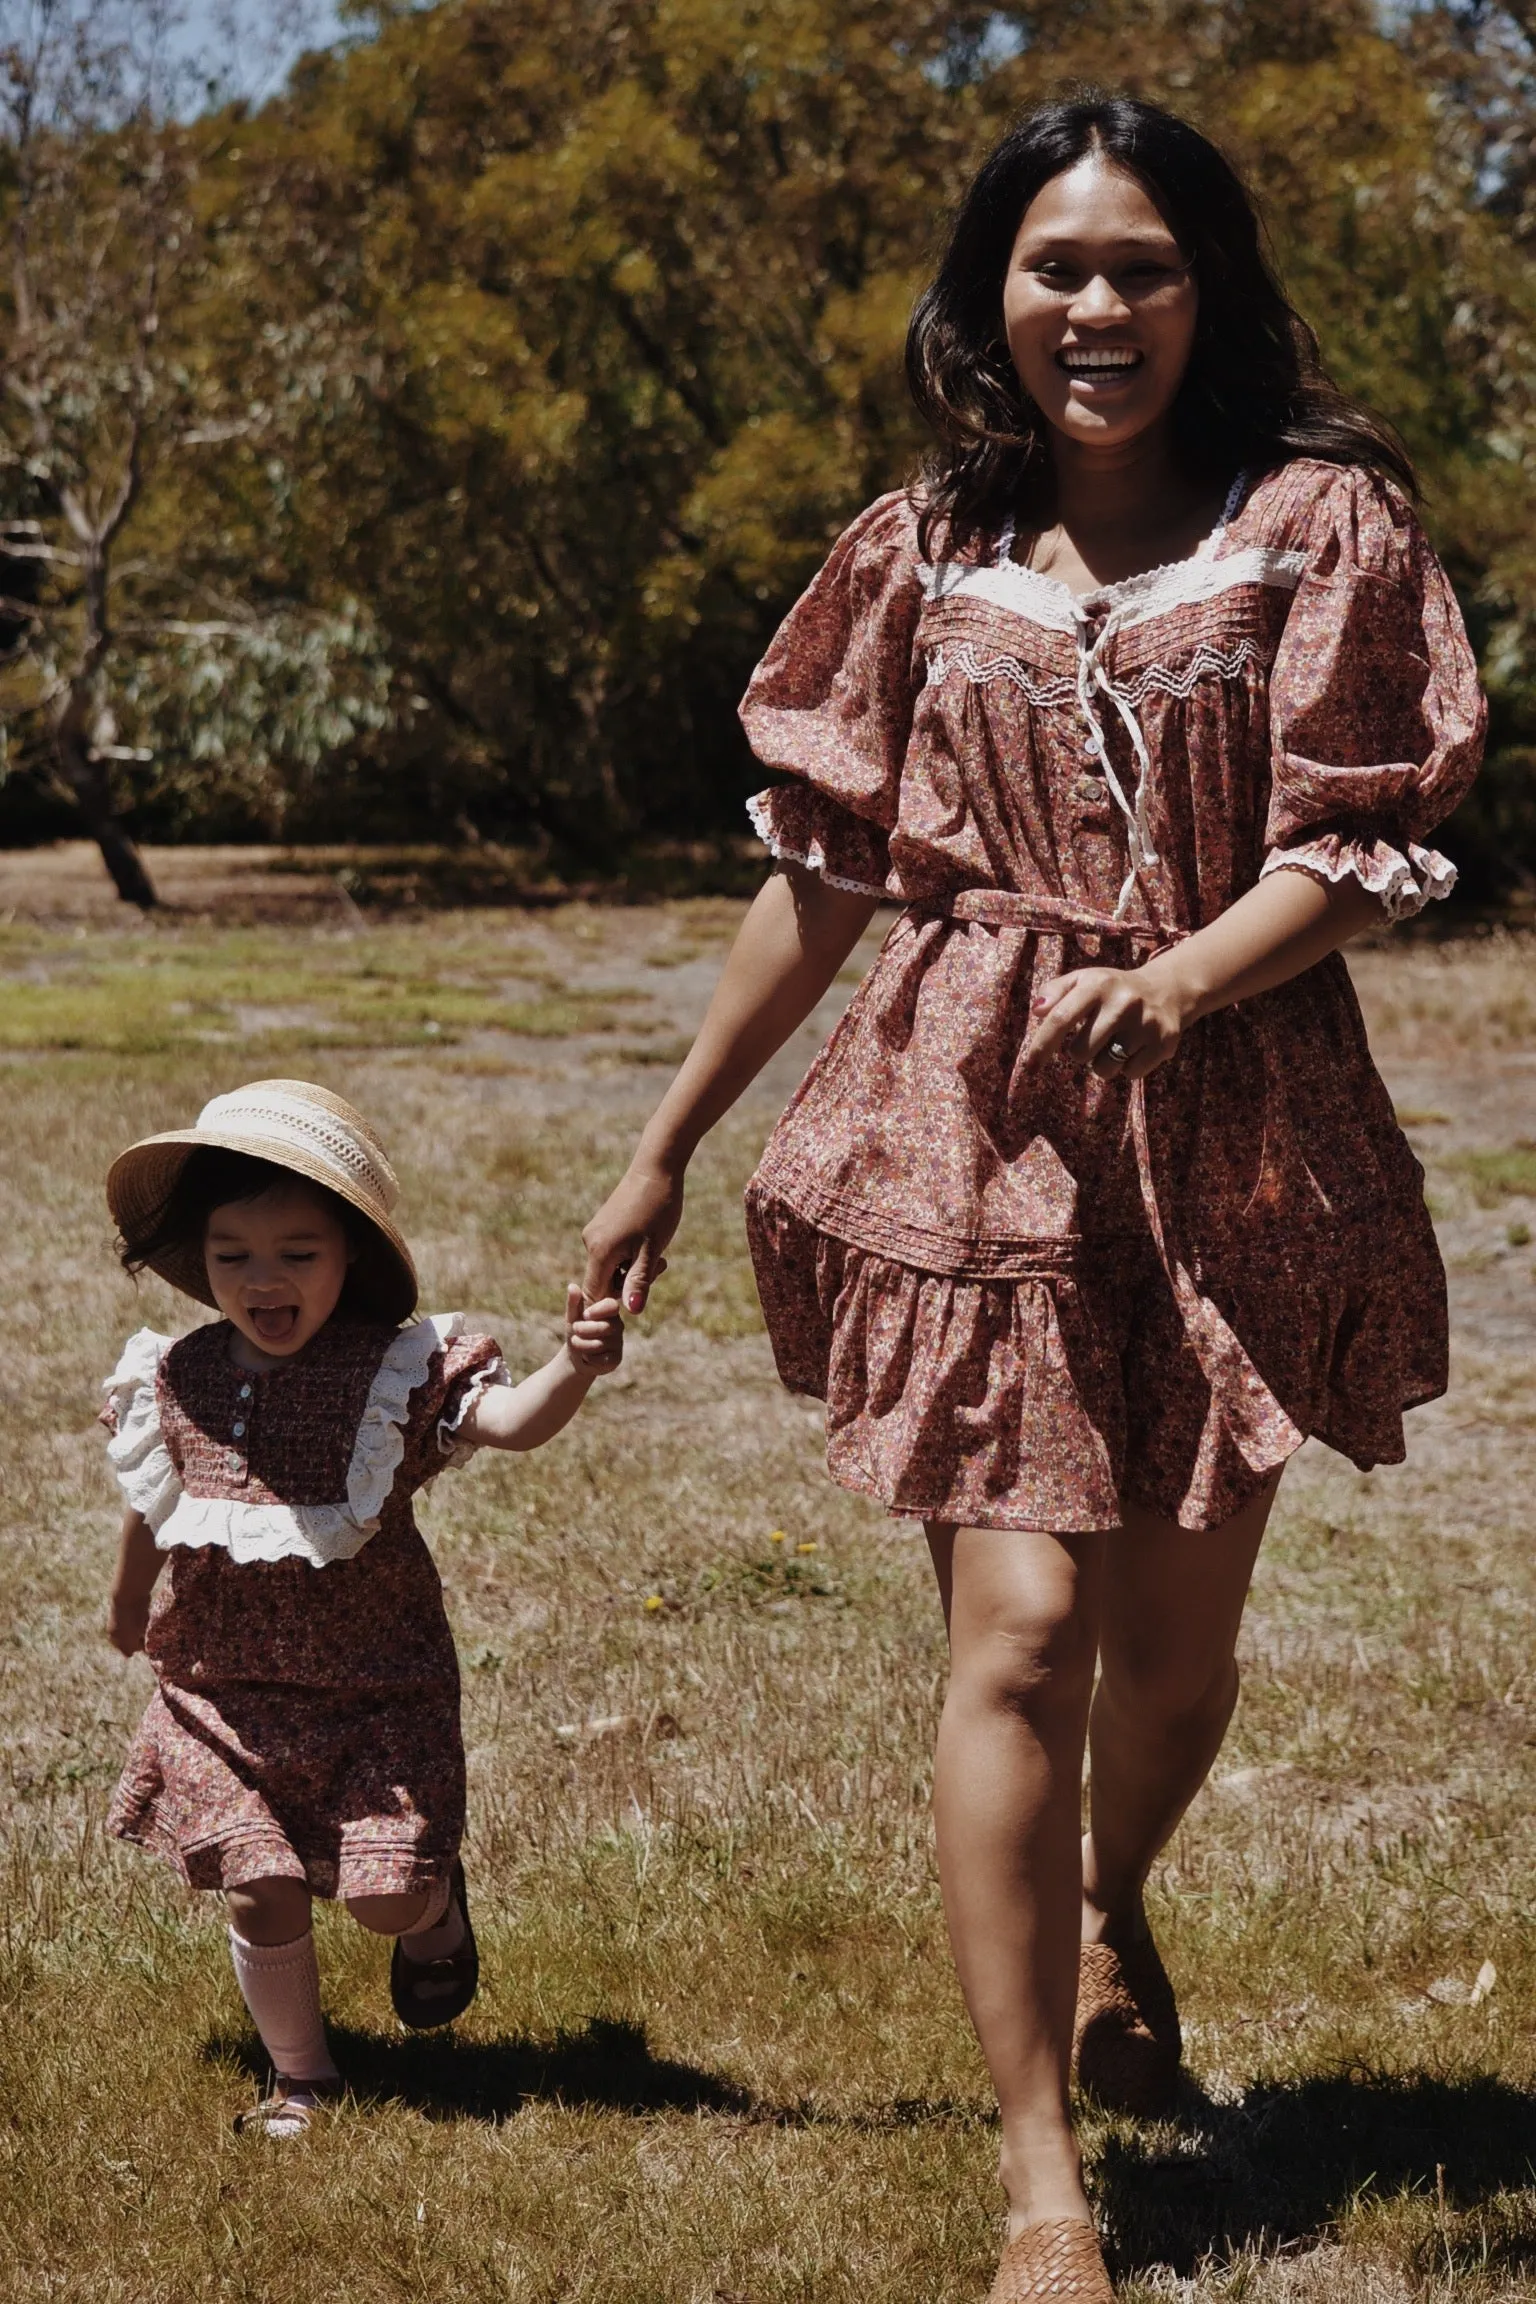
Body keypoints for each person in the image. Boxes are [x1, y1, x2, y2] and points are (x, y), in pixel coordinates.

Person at [581, 93, 1485, 2302]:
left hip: (1242, 1117)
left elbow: (1361, 832)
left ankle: (1107, 1903)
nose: (1100, 307)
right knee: (1022, 1635)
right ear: (994, 295)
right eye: (1058, 267)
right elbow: (820, 878)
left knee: (1173, 1660)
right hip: (964, 1114)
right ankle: (1040, 2184)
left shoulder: (1320, 522)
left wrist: (1186, 977)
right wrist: (660, 1144)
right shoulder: (918, 552)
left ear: (1212, 293)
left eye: (1146, 267)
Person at [101, 1078, 623, 2138]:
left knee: (383, 1896)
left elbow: (513, 1424)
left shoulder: (393, 1376)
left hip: (377, 1690)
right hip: (219, 1691)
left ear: (349, 1260)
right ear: (201, 1263)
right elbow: (156, 1507)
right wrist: (125, 1606)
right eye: (233, 1254)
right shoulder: (177, 1376)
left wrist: (575, 1363)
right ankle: (303, 2080)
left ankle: (434, 1913)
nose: (264, 1278)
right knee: (261, 1883)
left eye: (298, 1252)